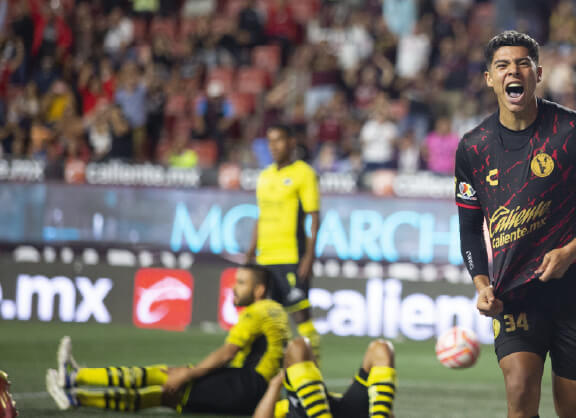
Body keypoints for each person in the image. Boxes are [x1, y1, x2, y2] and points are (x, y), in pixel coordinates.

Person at [455, 31, 576, 417]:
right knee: (519, 395)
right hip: (514, 290)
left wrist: (572, 250)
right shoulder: (473, 147)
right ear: (489, 78)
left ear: (538, 73)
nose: (512, 71)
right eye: (502, 65)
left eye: (522, 64)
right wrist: (481, 285)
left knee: (572, 412)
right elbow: (469, 228)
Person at [45, 263, 291, 415]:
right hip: (255, 389)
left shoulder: (256, 312)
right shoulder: (276, 311)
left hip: (247, 387)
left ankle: (75, 383)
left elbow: (228, 352)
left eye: (241, 283)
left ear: (259, 290)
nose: (234, 288)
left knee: (169, 383)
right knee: (167, 382)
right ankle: (76, 388)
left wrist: (189, 373)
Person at [246, 124, 322, 359]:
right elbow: (261, 216)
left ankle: (313, 373)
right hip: (265, 258)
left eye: (278, 140)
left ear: (291, 142)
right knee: (268, 320)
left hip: (291, 256)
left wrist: (309, 256)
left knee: (301, 317)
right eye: (270, 141)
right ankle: (270, 377)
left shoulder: (303, 173)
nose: (274, 146)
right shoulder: (265, 176)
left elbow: (313, 217)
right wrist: (250, 252)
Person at [253, 337, 397, 418]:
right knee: (299, 345)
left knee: (382, 347)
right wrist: (276, 384)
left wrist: (375, 392)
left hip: (341, 408)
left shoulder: (310, 390)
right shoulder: (286, 404)